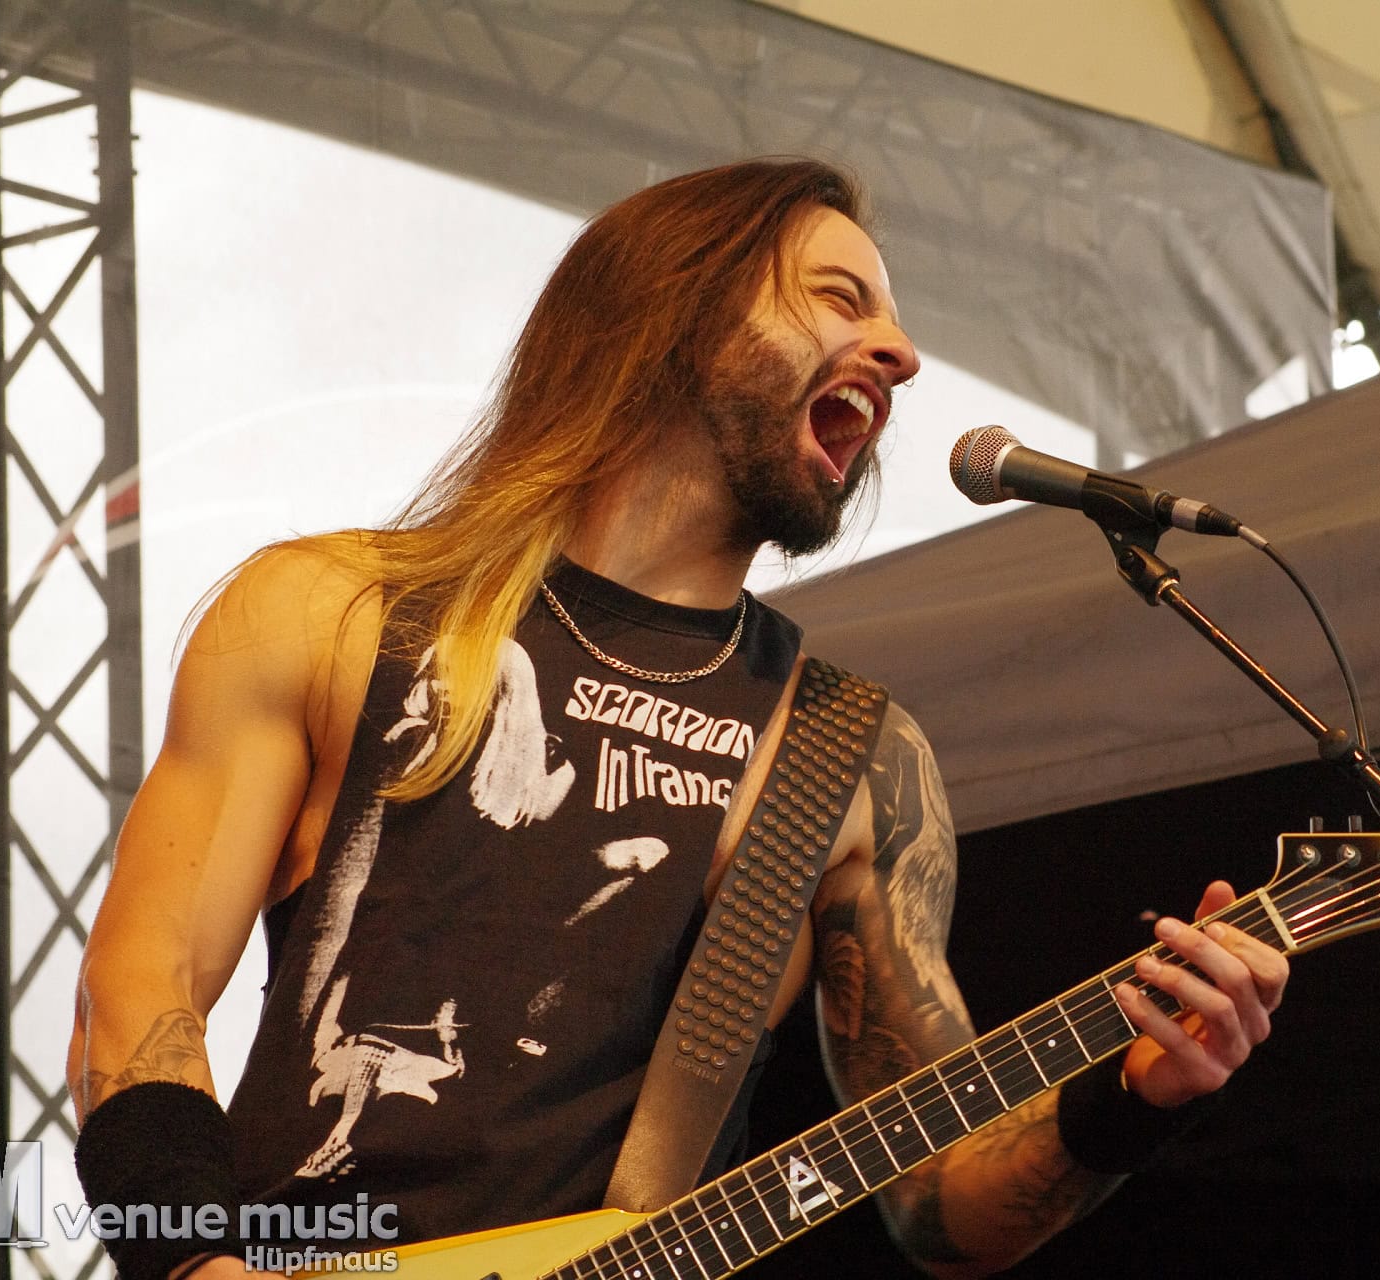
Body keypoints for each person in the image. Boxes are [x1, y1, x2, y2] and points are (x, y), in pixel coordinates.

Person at [67, 157, 1289, 1280]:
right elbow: (140, 982)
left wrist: (1131, 1098)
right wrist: (197, 1267)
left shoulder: (849, 757)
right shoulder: (334, 613)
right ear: (677, 308)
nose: (903, 351)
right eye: (842, 297)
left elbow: (942, 1200)